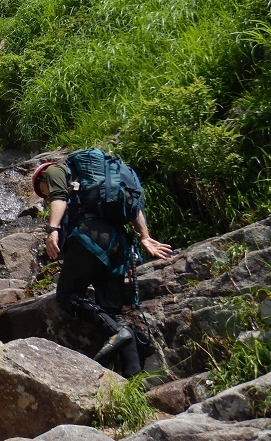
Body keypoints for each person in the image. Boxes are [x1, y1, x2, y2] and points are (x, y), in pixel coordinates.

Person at [32, 158, 173, 377]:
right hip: (119, 243)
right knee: (112, 311)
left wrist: (53, 230)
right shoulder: (107, 181)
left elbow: (59, 197)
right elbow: (133, 206)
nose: (45, 195)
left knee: (68, 294)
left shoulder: (53, 171)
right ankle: (133, 378)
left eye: (43, 191)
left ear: (42, 177)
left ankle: (114, 332)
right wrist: (144, 236)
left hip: (90, 236)